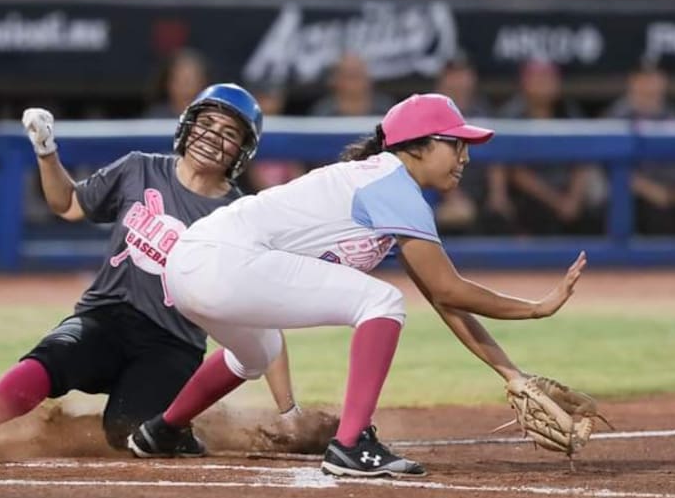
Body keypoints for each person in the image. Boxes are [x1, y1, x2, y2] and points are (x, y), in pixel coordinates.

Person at [127, 93, 586, 477]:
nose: (465, 156)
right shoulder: (393, 185)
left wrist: (510, 372)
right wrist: (535, 308)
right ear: (418, 146)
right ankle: (351, 445)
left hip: (193, 265)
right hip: (221, 260)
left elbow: (443, 300)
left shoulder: (384, 184)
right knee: (381, 301)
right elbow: (449, 289)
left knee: (258, 352)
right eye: (455, 144)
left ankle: (162, 431)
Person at [0, 83, 302, 458]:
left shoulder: (239, 217)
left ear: (242, 151)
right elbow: (67, 204)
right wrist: (46, 152)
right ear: (188, 124)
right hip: (106, 315)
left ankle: (176, 432)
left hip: (173, 343)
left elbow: (264, 321)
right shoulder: (139, 168)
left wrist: (289, 411)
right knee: (55, 355)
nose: (213, 138)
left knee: (127, 432)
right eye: (207, 123)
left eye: (229, 133)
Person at [497, 60, 601, 236]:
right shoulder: (511, 116)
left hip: (566, 194)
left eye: (549, 77)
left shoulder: (569, 112)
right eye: (538, 77)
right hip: (531, 198)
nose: (544, 83)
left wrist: (573, 199)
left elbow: (582, 159)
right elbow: (514, 173)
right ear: (524, 82)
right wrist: (556, 201)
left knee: (594, 212)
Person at [605, 59, 675, 235]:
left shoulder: (674, 114)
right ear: (633, 82)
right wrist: (652, 191)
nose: (650, 86)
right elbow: (611, 169)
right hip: (639, 196)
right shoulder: (619, 116)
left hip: (674, 193)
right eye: (644, 79)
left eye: (655, 79)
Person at [431, 53, 511, 236]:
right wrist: (453, 197)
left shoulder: (483, 111)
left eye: (464, 75)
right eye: (453, 75)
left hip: (479, 192)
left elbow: (495, 159)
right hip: (439, 194)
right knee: (459, 216)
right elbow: (430, 165)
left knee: (499, 217)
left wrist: (497, 195)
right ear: (442, 80)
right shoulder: (430, 111)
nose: (459, 81)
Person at [308, 53, 394, 117]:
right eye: (349, 75)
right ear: (335, 80)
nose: (354, 81)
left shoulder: (386, 110)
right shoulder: (322, 113)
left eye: (358, 74)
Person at [144, 49, 209, 119]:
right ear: (168, 84)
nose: (185, 88)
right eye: (180, 80)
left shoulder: (214, 118)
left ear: (203, 83)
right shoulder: (155, 118)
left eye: (190, 81)